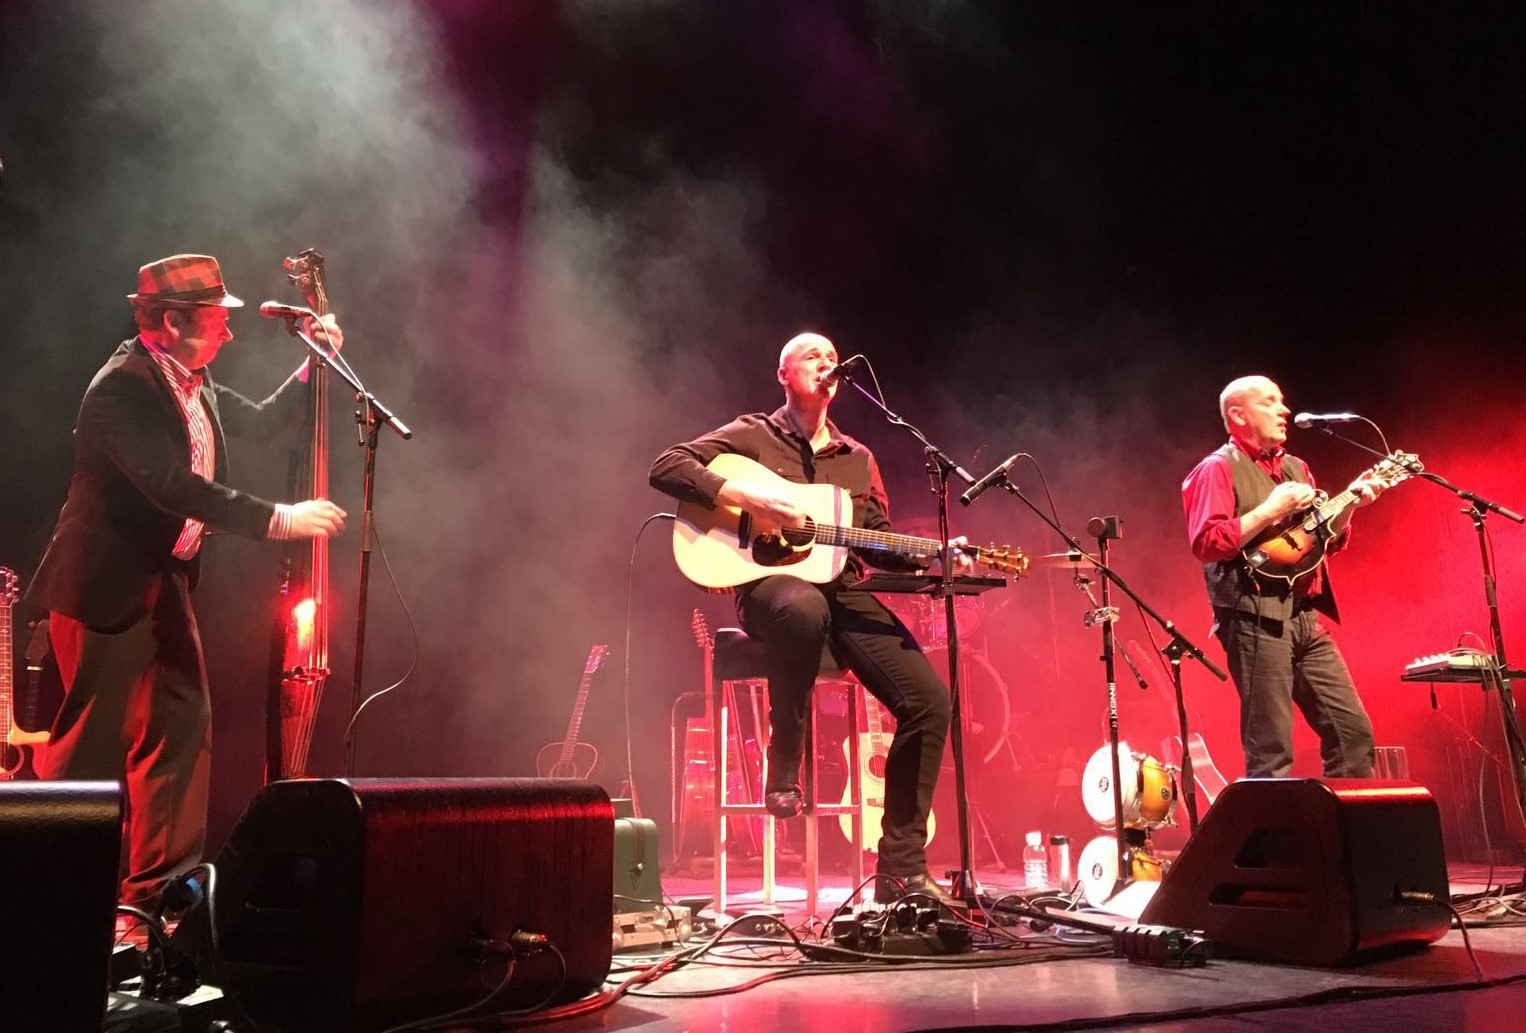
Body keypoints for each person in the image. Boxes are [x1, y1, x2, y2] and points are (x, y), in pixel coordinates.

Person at [25, 253, 347, 915]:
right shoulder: (124, 389)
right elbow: (172, 487)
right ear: (170, 322)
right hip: (103, 592)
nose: (228, 333)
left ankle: (156, 908)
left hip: (162, 586)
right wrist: (279, 518)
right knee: (86, 753)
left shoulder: (189, 381)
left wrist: (314, 362)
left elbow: (260, 420)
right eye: (214, 319)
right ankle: (43, 906)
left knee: (180, 733)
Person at [651, 331, 962, 905]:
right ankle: (784, 758)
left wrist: (933, 552)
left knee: (929, 702)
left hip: (843, 590)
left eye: (830, 356)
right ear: (784, 374)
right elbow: (667, 466)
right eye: (811, 355)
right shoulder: (750, 435)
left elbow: (877, 542)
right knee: (801, 604)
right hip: (770, 588)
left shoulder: (858, 458)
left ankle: (900, 871)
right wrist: (754, 500)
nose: (826, 362)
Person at [1181, 374, 1384, 779]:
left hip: (1305, 618)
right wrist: (1270, 510)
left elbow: (1316, 543)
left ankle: (1338, 835)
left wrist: (1348, 508)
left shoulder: (1296, 467)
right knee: (1271, 750)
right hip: (1254, 618)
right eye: (1270, 401)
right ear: (1238, 415)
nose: (1284, 410)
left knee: (1353, 734)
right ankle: (1274, 842)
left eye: (1283, 401)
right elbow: (1207, 542)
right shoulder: (1216, 469)